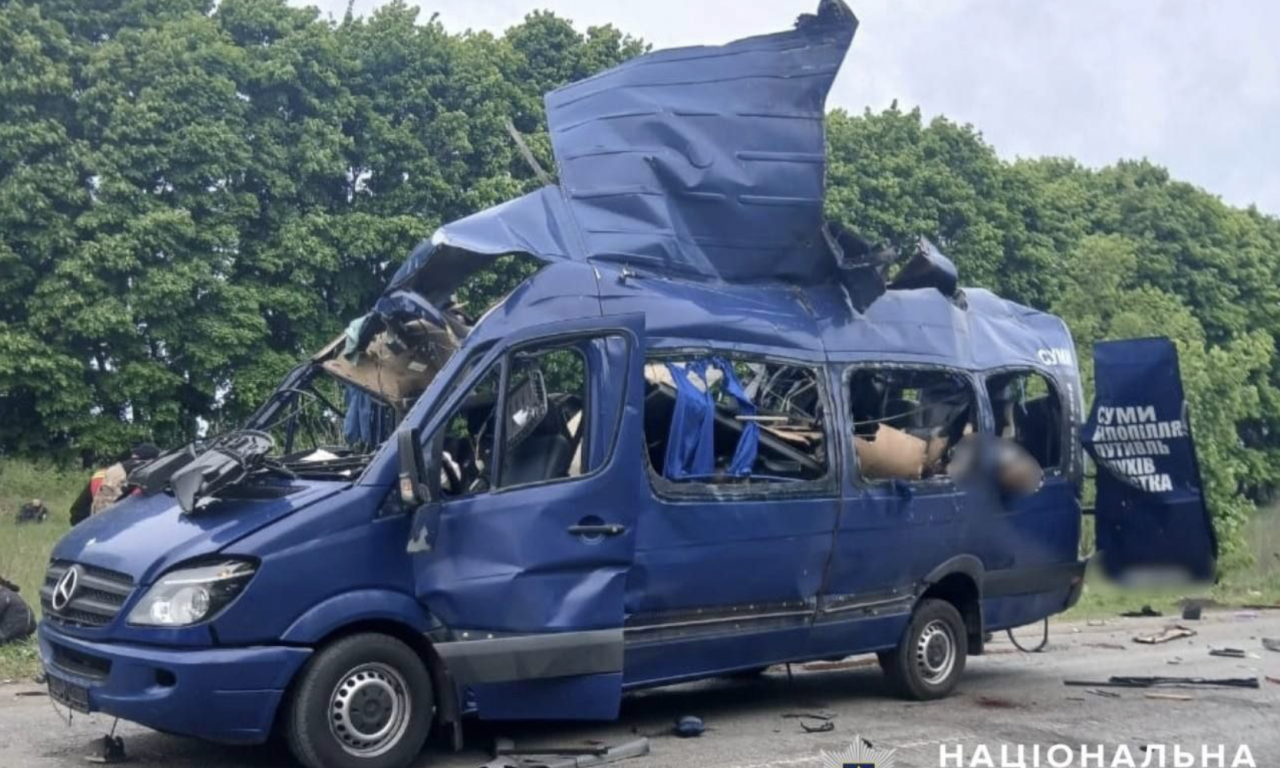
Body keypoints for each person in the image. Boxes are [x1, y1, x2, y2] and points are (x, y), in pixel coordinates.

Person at [69, 442, 160, 526]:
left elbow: (77, 512)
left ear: (134, 455)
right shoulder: (154, 479)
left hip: (97, 528)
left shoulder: (102, 475)